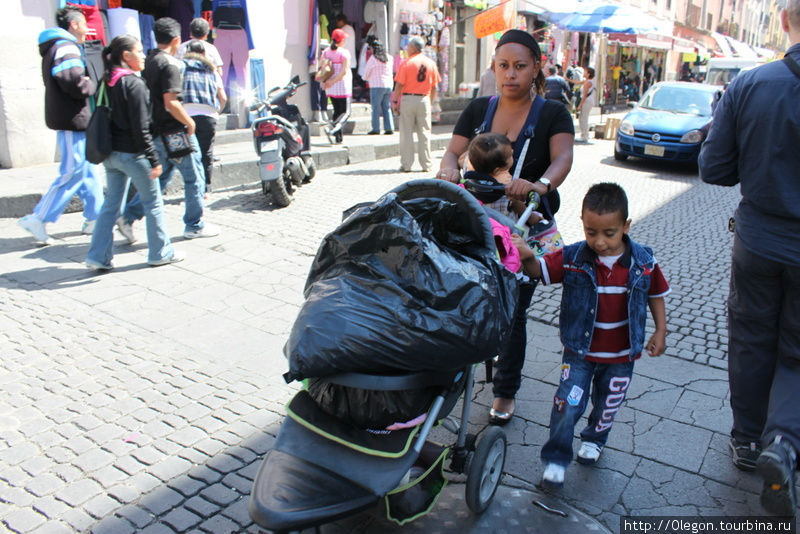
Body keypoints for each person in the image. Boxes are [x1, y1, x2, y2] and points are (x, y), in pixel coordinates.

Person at [437, 29, 574, 425]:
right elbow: (453, 150)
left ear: (536, 68)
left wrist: (539, 185)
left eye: (519, 66)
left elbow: (562, 158)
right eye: (503, 66)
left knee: (513, 312)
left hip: (521, 225)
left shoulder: (552, 113)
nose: (510, 74)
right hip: (473, 223)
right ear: (494, 68)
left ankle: (505, 389)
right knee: (458, 294)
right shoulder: (479, 108)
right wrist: (448, 167)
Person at [698, 0, 800, 517]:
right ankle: (784, 442)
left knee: (752, 337)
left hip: (760, 238)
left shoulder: (752, 85)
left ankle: (747, 440)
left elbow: (714, 168)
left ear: (785, 21)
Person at [514, 183, 669, 487]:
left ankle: (595, 439)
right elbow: (539, 272)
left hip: (622, 356)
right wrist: (525, 255)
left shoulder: (644, 261)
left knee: (607, 402)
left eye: (609, 233)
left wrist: (661, 330)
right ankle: (557, 459)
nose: (599, 242)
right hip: (579, 353)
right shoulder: (573, 257)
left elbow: (656, 294)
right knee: (566, 403)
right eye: (590, 232)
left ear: (625, 226)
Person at [117, 17, 219, 243]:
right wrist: (189, 123)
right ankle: (195, 224)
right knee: (195, 178)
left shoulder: (149, 60)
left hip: (157, 130)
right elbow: (170, 102)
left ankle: (128, 216)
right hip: (175, 132)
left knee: (161, 179)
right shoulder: (170, 64)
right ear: (176, 39)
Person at [86, 35, 183, 270]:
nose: (142, 56)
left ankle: (97, 256)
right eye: (138, 52)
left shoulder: (107, 81)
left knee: (111, 205)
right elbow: (142, 128)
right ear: (126, 56)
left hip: (111, 155)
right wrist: (154, 160)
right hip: (133, 154)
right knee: (153, 203)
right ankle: (161, 252)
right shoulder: (134, 84)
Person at [18, 6, 102, 245]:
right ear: (74, 25)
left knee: (88, 171)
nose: (87, 29)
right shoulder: (66, 46)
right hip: (71, 118)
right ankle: (39, 217)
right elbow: (73, 82)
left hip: (73, 117)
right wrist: (92, 84)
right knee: (73, 170)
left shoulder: (58, 45)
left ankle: (96, 218)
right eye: (84, 24)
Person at [182, 40, 227, 193]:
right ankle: (206, 187)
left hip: (186, 115)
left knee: (190, 153)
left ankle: (192, 186)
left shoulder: (181, 68)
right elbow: (223, 97)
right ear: (203, 54)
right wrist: (217, 112)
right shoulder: (212, 71)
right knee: (206, 152)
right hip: (208, 115)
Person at [391, 36, 441, 173]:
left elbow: (399, 85)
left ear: (413, 48)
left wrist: (395, 101)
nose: (407, 49)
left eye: (408, 46)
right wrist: (430, 102)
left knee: (406, 133)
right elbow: (435, 86)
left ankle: (407, 165)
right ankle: (426, 164)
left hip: (408, 99)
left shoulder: (407, 63)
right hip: (424, 99)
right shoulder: (430, 63)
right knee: (424, 133)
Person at [321, 29, 352, 144]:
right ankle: (333, 127)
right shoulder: (344, 53)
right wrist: (334, 80)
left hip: (330, 87)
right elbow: (344, 71)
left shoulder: (326, 52)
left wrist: (325, 82)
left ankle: (338, 137)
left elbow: (322, 69)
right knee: (346, 112)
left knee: (337, 111)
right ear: (341, 40)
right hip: (342, 86)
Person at [363, 38, 394, 135]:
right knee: (386, 107)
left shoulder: (373, 59)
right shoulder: (389, 58)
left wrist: (366, 78)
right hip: (389, 84)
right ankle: (389, 128)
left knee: (375, 108)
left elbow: (366, 73)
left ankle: (376, 128)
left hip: (377, 85)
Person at [577, 67, 596, 143]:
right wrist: (568, 79)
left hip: (587, 102)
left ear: (588, 74)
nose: (583, 73)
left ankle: (585, 136)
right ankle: (584, 135)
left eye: (585, 71)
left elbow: (584, 95)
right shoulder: (587, 81)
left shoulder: (588, 82)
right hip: (587, 101)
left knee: (584, 118)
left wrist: (580, 105)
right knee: (582, 118)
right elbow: (578, 82)